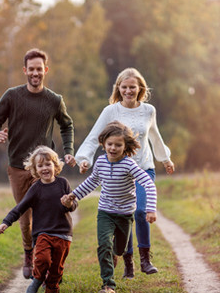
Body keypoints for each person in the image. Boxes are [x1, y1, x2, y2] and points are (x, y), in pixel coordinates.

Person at [74, 67, 174, 279]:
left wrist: (165, 159)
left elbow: (155, 136)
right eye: (125, 87)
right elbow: (95, 136)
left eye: (132, 87)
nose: (129, 90)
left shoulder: (149, 110)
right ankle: (128, 262)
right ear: (118, 88)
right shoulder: (111, 111)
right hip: (120, 170)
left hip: (144, 167)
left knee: (140, 211)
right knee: (124, 214)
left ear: (140, 89)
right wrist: (84, 159)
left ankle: (145, 259)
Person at [0, 48, 77, 279]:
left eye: (39, 69)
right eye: (31, 69)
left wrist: (68, 151)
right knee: (25, 216)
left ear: (45, 70)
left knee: (48, 212)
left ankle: (44, 253)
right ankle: (29, 253)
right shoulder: (11, 96)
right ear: (25, 71)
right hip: (18, 166)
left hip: (44, 168)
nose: (35, 73)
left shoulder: (54, 100)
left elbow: (67, 126)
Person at [62, 121, 157, 293]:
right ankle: (108, 285)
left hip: (125, 213)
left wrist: (150, 209)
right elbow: (92, 182)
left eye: (118, 145)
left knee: (119, 249)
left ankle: (115, 256)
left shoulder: (129, 164)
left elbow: (148, 184)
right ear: (103, 143)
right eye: (110, 144)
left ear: (125, 146)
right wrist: (73, 195)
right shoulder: (100, 161)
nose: (113, 148)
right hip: (105, 211)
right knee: (104, 244)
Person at [0, 146, 78, 293]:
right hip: (43, 233)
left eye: (48, 164)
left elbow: (74, 205)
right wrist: (6, 222)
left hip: (63, 234)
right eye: (40, 166)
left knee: (57, 268)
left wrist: (69, 204)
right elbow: (20, 207)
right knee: (42, 259)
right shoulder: (36, 189)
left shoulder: (63, 183)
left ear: (55, 165)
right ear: (34, 169)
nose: (45, 168)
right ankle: (38, 279)